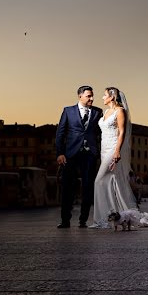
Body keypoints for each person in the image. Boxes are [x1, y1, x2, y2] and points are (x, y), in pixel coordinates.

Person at [89, 87, 147, 228]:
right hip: (104, 148)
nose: (102, 98)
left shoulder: (120, 111)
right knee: (111, 180)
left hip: (113, 149)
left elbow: (122, 132)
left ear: (112, 97)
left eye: (105, 95)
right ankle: (114, 216)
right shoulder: (105, 112)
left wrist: (117, 151)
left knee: (98, 181)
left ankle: (102, 219)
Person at [55, 85, 102, 228]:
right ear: (80, 96)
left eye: (92, 96)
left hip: (89, 155)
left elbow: (100, 133)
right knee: (67, 187)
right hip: (71, 154)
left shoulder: (97, 112)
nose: (92, 98)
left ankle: (83, 220)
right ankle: (65, 220)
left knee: (88, 187)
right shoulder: (68, 111)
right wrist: (60, 153)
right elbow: (60, 133)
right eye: (89, 96)